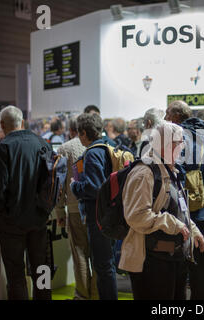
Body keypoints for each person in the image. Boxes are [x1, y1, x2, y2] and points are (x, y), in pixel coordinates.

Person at [119, 121, 204, 300]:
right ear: (166, 144)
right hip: (152, 263)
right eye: (179, 142)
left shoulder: (169, 168)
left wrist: (193, 230)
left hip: (173, 259)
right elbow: (136, 216)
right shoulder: (144, 173)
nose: (183, 147)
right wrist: (173, 224)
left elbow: (179, 208)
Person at [0, 106, 52, 300]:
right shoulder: (42, 143)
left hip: (11, 222)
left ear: (2, 125)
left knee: (15, 273)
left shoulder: (3, 148)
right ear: (22, 122)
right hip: (39, 219)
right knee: (42, 267)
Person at [165, 100, 204, 300]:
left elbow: (176, 171)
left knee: (182, 264)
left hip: (186, 207)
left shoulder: (180, 136)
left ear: (176, 116)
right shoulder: (203, 134)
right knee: (199, 263)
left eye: (167, 114)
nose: (164, 119)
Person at [70, 113, 118, 300]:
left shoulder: (92, 153)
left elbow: (93, 187)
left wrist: (75, 185)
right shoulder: (111, 146)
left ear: (83, 133)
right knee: (108, 264)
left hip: (99, 217)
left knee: (103, 266)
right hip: (113, 213)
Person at [55, 117, 99, 300]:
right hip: (97, 209)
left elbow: (59, 185)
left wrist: (59, 211)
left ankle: (82, 295)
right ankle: (97, 294)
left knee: (80, 253)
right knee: (97, 255)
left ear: (72, 130)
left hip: (74, 209)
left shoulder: (64, 149)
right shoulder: (99, 146)